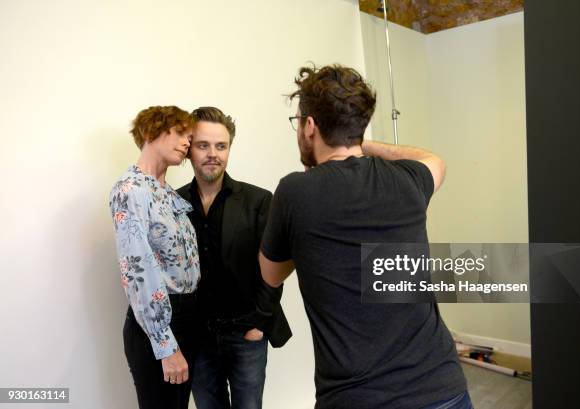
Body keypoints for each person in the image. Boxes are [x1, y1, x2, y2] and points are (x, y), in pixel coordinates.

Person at [258, 65, 472, 409]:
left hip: (358, 399)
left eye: (298, 121)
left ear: (310, 126)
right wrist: (361, 141)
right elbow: (434, 160)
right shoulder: (407, 181)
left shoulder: (295, 192)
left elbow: (271, 274)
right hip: (442, 387)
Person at [177, 106, 291, 409]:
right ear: (189, 150)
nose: (213, 153)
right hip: (197, 337)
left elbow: (275, 269)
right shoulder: (173, 204)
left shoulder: (259, 201)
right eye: (203, 145)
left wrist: (259, 324)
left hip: (246, 333)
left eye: (221, 145)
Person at [109, 106, 200, 409]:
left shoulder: (166, 191)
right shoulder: (131, 189)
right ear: (151, 132)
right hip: (160, 321)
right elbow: (137, 270)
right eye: (179, 133)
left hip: (187, 317)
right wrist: (164, 344)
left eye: (189, 137)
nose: (187, 143)